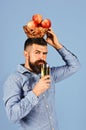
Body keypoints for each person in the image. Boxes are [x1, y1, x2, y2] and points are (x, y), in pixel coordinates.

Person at [3, 28, 80, 130]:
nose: (42, 57)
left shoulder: (49, 74)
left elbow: (75, 66)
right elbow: (12, 115)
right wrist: (35, 92)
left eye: (44, 53)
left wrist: (57, 46)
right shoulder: (14, 80)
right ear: (26, 54)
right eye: (37, 52)